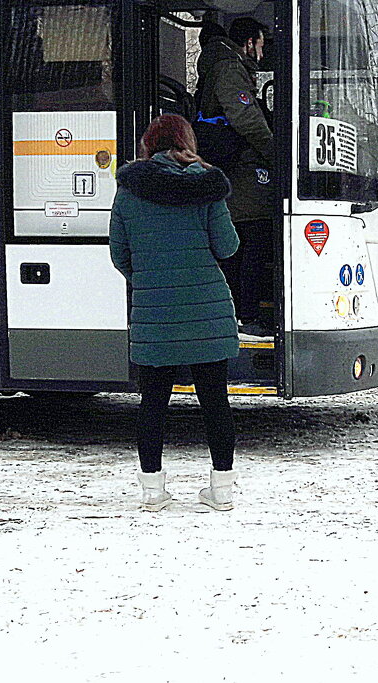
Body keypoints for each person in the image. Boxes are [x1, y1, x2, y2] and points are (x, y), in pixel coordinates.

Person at [109, 114, 241, 512]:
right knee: (215, 401)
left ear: (148, 144)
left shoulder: (129, 190)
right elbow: (228, 246)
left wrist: (151, 275)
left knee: (153, 403)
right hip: (207, 312)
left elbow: (119, 255)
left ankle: (153, 493)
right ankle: (221, 493)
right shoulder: (206, 185)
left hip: (155, 312)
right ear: (187, 141)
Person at [195, 16, 275, 339]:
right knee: (252, 236)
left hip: (233, 170)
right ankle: (246, 315)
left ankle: (240, 313)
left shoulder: (227, 65)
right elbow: (245, 117)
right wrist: (274, 152)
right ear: (249, 42)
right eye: (260, 42)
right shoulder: (229, 68)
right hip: (239, 172)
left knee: (244, 241)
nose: (262, 49)